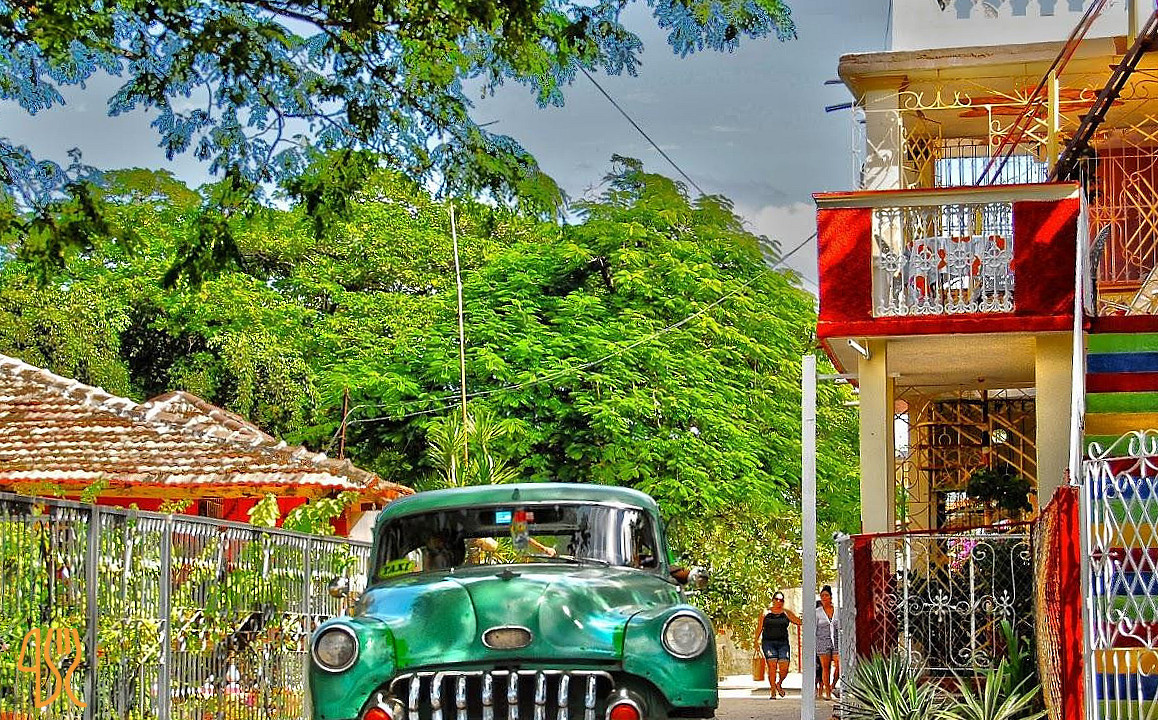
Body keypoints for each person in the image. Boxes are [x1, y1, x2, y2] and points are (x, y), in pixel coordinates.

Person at [753, 591, 802, 699]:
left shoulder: (786, 613)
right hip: (768, 643)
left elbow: (799, 621)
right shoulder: (765, 613)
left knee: (784, 667)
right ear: (773, 600)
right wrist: (756, 641)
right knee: (772, 665)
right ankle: (772, 691)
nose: (779, 602)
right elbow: (759, 627)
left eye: (781, 600)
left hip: (783, 643)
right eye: (777, 599)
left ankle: (779, 683)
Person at [816, 585, 840, 701]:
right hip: (822, 641)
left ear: (831, 597)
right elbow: (814, 628)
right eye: (822, 596)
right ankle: (828, 692)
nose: (824, 598)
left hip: (836, 640)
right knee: (825, 667)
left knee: (839, 664)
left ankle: (833, 685)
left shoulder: (838, 611)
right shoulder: (817, 612)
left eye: (826, 595)